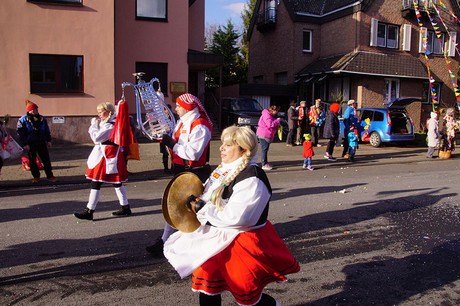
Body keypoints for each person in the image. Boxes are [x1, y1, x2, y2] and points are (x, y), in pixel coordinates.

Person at [164, 125, 300, 306]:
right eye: (222, 144)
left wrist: (201, 208)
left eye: (227, 145)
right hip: (214, 239)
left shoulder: (253, 178)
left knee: (247, 295)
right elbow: (207, 197)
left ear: (243, 149)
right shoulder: (223, 169)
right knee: (207, 288)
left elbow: (238, 217)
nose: (221, 148)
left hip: (239, 241)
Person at [146, 93, 213, 257]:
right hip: (181, 169)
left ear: (188, 107)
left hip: (193, 172)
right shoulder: (183, 123)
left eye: (178, 105)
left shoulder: (200, 125)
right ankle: (166, 240)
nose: (175, 108)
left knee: (193, 209)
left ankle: (201, 242)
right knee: (174, 206)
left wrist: (172, 145)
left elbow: (193, 154)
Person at [74, 102, 132, 221]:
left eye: (101, 112)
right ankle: (125, 207)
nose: (99, 114)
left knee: (97, 182)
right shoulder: (110, 123)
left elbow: (96, 138)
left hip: (107, 155)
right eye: (98, 112)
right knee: (116, 183)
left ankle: (89, 211)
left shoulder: (110, 125)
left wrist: (93, 125)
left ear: (108, 111)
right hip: (108, 154)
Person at [17, 100, 57, 183]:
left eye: (37, 109)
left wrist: (48, 140)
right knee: (32, 160)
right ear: (29, 110)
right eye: (34, 109)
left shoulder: (42, 119)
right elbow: (21, 133)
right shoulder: (23, 120)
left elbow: (46, 130)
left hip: (41, 141)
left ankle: (50, 176)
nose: (36, 111)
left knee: (46, 159)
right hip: (30, 143)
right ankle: (36, 177)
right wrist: (25, 144)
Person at [256, 105, 281, 171]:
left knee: (265, 149)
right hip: (264, 134)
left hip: (264, 134)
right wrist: (277, 121)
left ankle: (265, 163)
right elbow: (270, 124)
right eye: (276, 111)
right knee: (264, 150)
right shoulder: (267, 115)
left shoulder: (268, 115)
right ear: (272, 110)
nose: (276, 112)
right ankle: (264, 164)